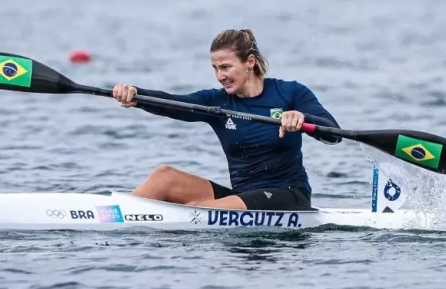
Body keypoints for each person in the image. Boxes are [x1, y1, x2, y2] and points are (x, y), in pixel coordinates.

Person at [112, 28, 341, 211]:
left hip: (288, 197)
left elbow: (333, 133)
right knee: (164, 176)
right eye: (215, 68)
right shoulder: (216, 102)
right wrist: (136, 94)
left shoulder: (290, 93)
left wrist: (302, 118)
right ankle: (113, 214)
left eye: (225, 67)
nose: (220, 76)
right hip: (242, 197)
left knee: (200, 209)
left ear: (249, 62)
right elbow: (173, 103)